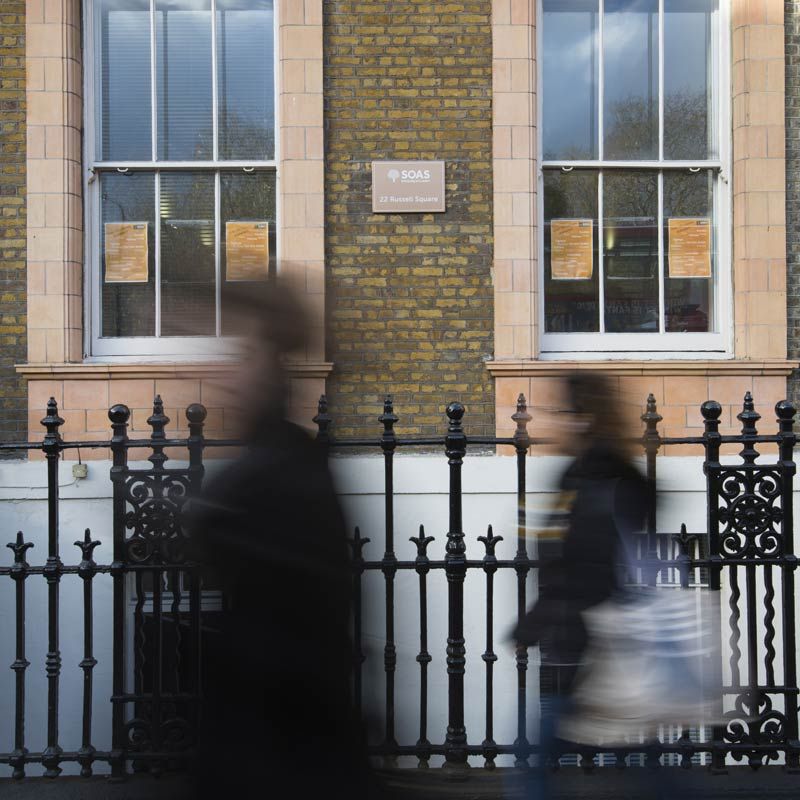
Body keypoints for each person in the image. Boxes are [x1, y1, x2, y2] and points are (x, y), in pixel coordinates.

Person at [186, 278, 382, 799]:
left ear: (271, 362)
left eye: (240, 354)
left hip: (278, 759)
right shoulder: (277, 465)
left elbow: (293, 649)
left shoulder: (281, 475)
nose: (225, 376)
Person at [512, 372, 651, 798]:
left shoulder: (593, 479)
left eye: (564, 412)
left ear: (585, 418)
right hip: (599, 632)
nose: (555, 421)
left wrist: (536, 624)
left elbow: (577, 564)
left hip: (587, 635)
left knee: (539, 749)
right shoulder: (597, 474)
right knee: (639, 749)